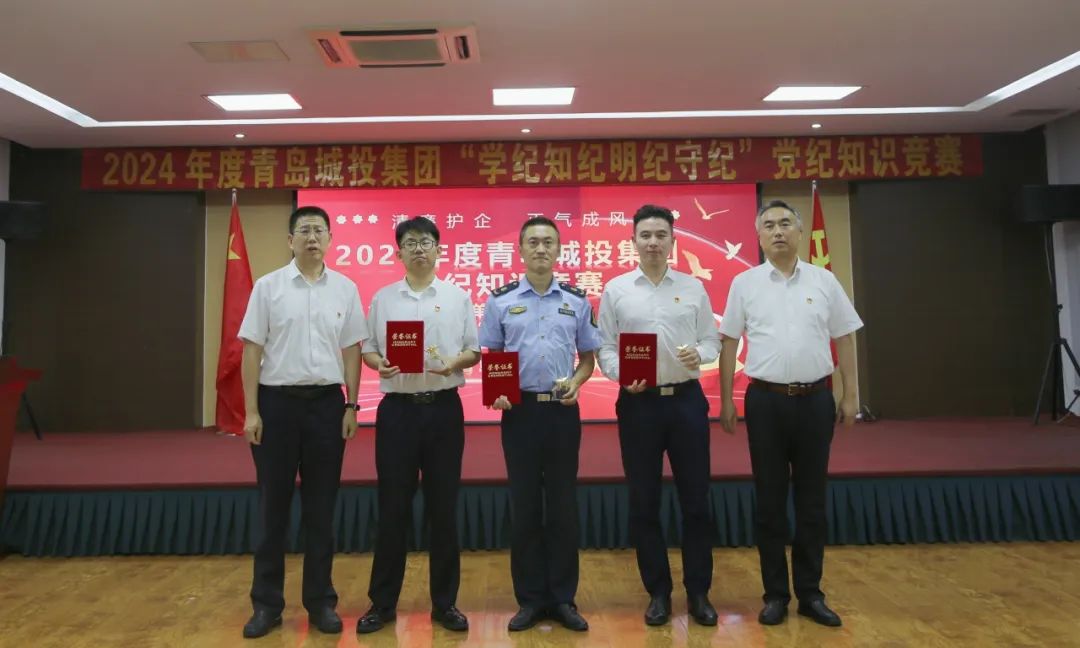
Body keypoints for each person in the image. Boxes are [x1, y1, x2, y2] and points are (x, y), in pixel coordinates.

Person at [718, 199, 862, 628]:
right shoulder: (745, 283)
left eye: (785, 224)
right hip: (765, 402)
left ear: (800, 232)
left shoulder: (824, 280)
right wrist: (726, 400)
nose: (778, 231)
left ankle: (811, 594)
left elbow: (845, 337)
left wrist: (850, 394)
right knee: (769, 501)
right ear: (758, 236)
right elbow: (729, 342)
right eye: (769, 225)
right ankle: (776, 595)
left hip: (816, 401)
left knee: (812, 500)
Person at [238, 206, 367, 639]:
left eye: (319, 231)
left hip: (327, 407)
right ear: (290, 240)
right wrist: (251, 411)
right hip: (276, 407)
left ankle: (320, 603)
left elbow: (351, 350)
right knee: (272, 509)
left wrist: (352, 406)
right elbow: (252, 351)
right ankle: (266, 605)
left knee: (321, 510)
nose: (312, 238)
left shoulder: (345, 289)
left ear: (330, 239)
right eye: (304, 230)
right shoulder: (268, 287)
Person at [596, 204, 720, 627]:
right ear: (633, 241)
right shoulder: (616, 290)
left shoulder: (693, 287)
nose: (653, 242)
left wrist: (699, 354)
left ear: (672, 241)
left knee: (696, 500)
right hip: (639, 404)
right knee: (643, 501)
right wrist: (621, 374)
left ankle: (699, 592)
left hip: (686, 401)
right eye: (645, 235)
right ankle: (658, 593)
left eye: (660, 235)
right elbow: (606, 347)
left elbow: (712, 341)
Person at [356, 216, 480, 635]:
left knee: (443, 510)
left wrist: (454, 363)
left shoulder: (458, 297)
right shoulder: (383, 299)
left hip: (444, 410)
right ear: (399, 252)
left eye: (426, 242)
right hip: (398, 412)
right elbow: (369, 350)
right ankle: (382, 604)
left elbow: (474, 351)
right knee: (392, 508)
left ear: (439, 250)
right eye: (410, 243)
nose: (419, 249)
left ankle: (445, 604)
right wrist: (380, 364)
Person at [478, 216, 601, 632]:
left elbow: (588, 358)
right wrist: (497, 391)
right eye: (533, 242)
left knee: (563, 507)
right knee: (526, 506)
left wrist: (578, 382)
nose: (541, 248)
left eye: (548, 242)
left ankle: (563, 599)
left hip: (563, 412)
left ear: (559, 249)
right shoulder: (500, 300)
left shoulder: (577, 301)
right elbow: (493, 355)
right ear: (520, 250)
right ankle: (530, 600)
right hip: (520, 413)